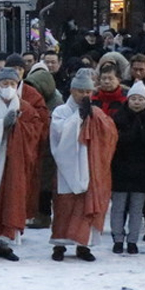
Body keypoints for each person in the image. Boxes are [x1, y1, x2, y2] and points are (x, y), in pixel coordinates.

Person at [0, 61, 48, 261]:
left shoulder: (25, 107)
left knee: (11, 200)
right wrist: (0, 125)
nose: (8, 87)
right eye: (4, 83)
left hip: (15, 161)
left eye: (12, 84)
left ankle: (6, 243)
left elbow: (36, 127)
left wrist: (19, 127)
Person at [49, 69, 118, 262]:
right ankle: (59, 244)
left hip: (88, 164)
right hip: (66, 165)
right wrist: (78, 117)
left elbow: (110, 133)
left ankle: (83, 245)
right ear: (72, 91)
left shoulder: (96, 112)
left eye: (88, 92)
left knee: (85, 205)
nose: (84, 95)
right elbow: (58, 134)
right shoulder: (61, 111)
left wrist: (94, 119)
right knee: (64, 206)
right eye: (80, 91)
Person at [108, 80, 145, 255]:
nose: (137, 102)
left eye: (140, 99)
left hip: (142, 169)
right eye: (133, 98)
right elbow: (114, 140)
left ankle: (133, 240)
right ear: (128, 99)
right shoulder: (118, 117)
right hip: (120, 167)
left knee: (136, 208)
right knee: (118, 206)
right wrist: (132, 134)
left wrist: (143, 134)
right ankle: (118, 239)